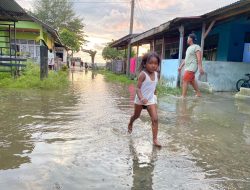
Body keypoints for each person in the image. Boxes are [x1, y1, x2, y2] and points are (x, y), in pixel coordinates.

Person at [128, 52, 161, 147]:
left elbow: (153, 85)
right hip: (140, 99)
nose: (153, 66)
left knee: (155, 119)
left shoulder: (156, 74)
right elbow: (137, 88)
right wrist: (141, 98)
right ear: (145, 64)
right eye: (150, 63)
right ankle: (130, 122)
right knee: (136, 116)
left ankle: (155, 139)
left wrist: (155, 93)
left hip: (150, 100)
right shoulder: (143, 75)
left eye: (156, 63)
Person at [178, 33, 205, 98]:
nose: (187, 39)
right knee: (192, 81)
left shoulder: (197, 47)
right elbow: (186, 59)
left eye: (188, 38)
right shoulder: (188, 48)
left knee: (185, 80)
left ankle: (183, 96)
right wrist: (180, 67)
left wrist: (200, 67)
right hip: (188, 67)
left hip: (192, 67)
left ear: (191, 39)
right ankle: (198, 94)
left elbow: (199, 58)